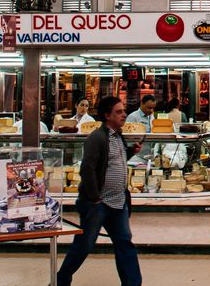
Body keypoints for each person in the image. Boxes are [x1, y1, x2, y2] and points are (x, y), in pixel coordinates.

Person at [56, 96, 144, 286]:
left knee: (124, 243)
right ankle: (61, 279)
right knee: (85, 245)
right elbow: (87, 168)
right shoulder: (97, 137)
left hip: (118, 202)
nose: (124, 115)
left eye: (124, 111)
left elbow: (111, 162)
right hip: (99, 203)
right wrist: (95, 198)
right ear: (107, 116)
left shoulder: (118, 136)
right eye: (119, 112)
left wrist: (131, 152)